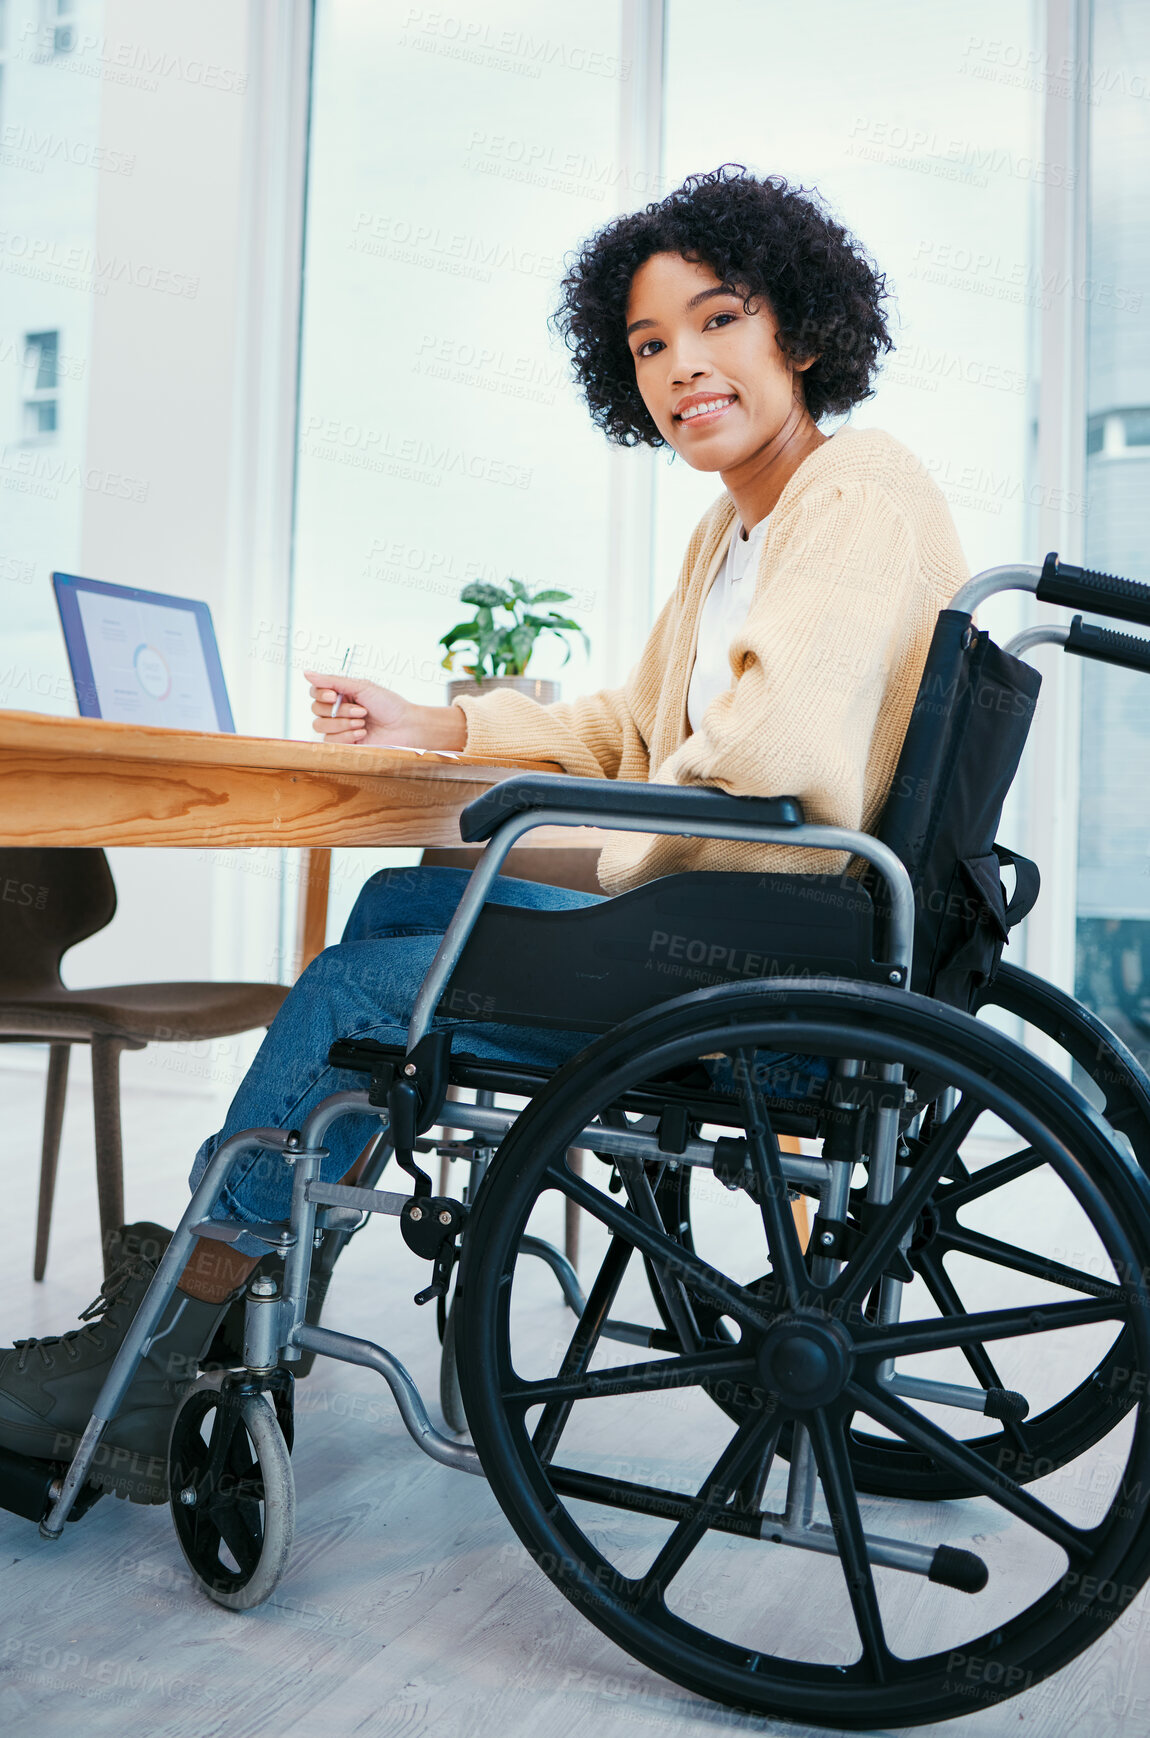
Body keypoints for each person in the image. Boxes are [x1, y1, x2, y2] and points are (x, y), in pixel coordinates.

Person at [0, 165, 967, 1500]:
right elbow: (636, 721)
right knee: (402, 908)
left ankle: (174, 1338)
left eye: (718, 319)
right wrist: (441, 728)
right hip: (753, 918)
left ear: (798, 329)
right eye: (646, 343)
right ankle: (261, 1280)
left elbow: (769, 760)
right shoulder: (736, 529)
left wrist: (586, 863)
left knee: (355, 986)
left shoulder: (851, 491)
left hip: (740, 946)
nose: (681, 363)